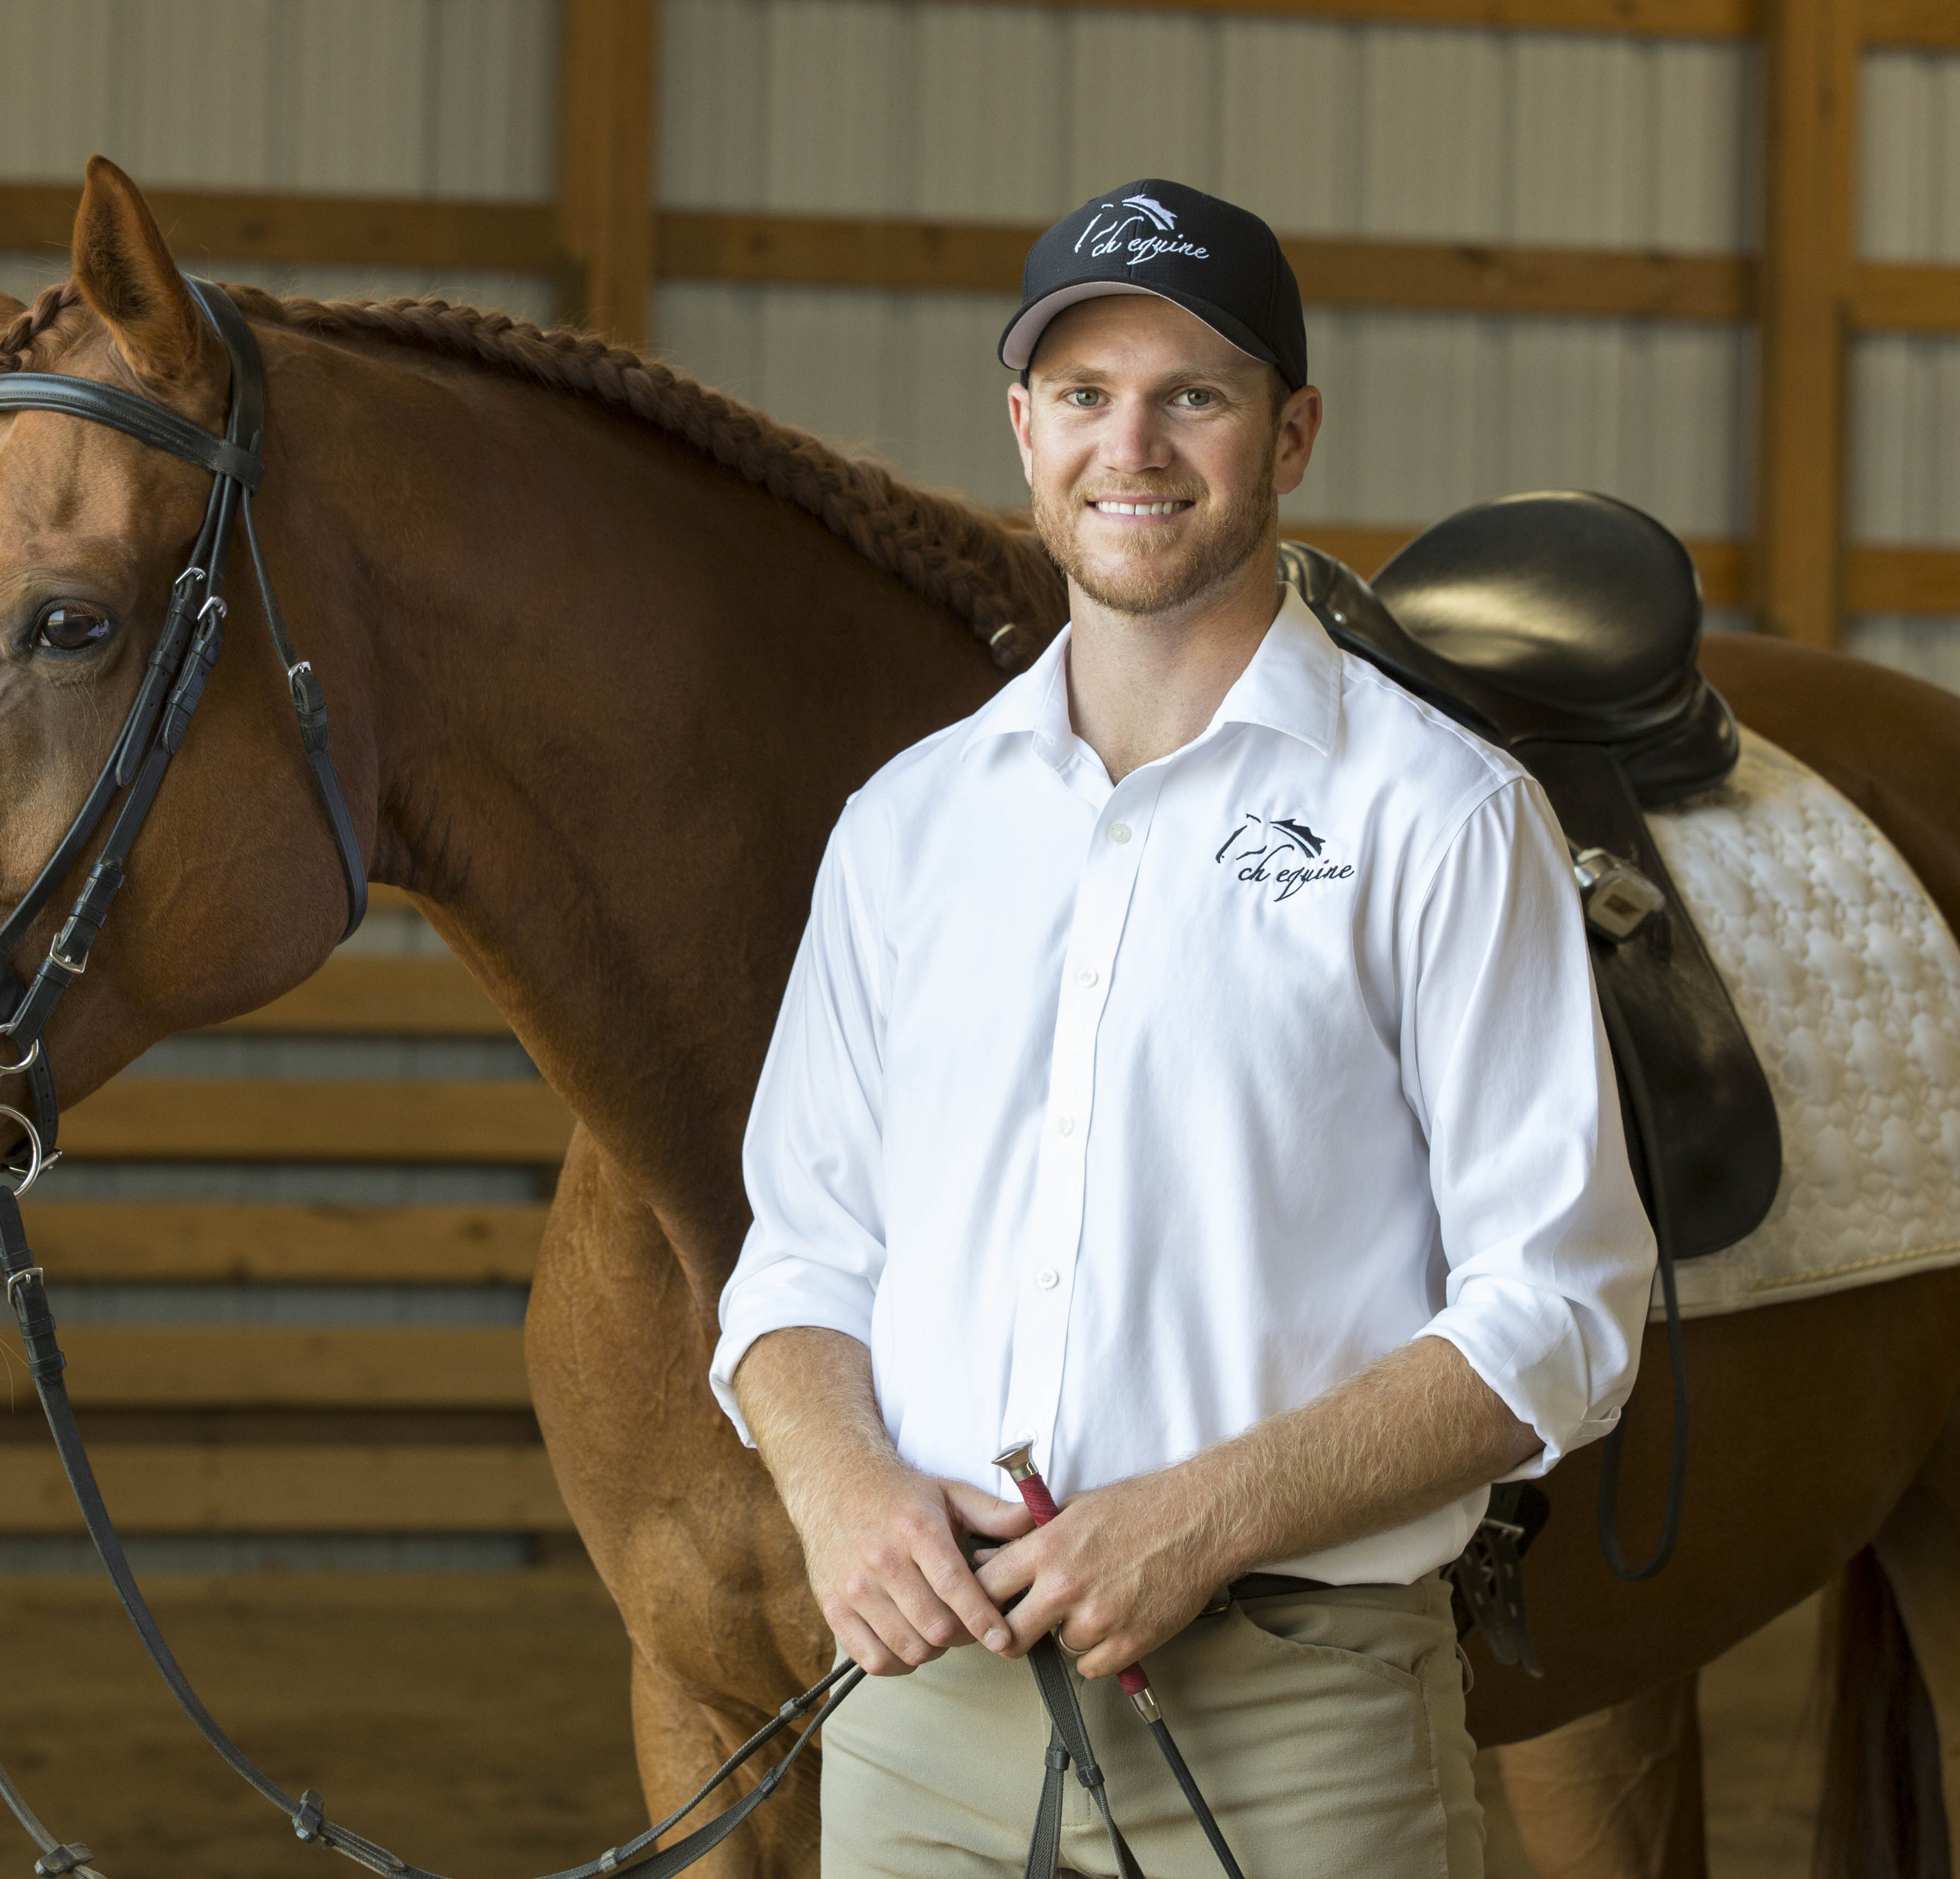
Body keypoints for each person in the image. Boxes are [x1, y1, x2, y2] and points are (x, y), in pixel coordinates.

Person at [710, 178, 1659, 1877]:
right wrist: (842, 1490)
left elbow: (1566, 1310)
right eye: (1084, 395)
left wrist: (1200, 1517)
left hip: (1296, 1710)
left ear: (1291, 435)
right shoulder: (905, 827)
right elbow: (800, 1260)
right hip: (923, 1718)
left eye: (1192, 397)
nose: (1129, 445)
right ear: (1023, 428)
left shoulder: (1441, 816)